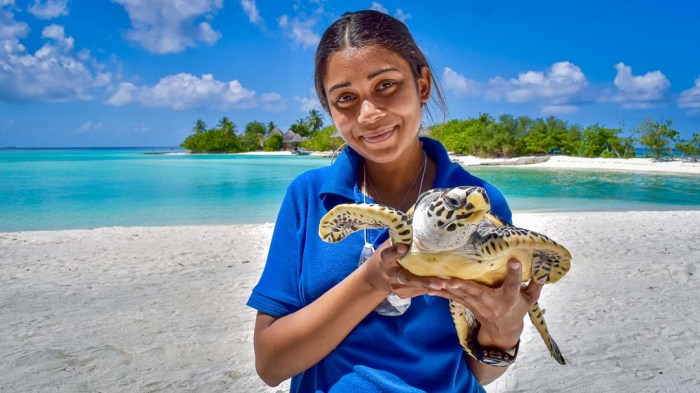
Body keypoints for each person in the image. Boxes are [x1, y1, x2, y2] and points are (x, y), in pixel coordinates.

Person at [247, 9, 543, 393]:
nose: (369, 114)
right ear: (330, 109)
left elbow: (480, 372)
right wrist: (373, 281)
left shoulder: (478, 203)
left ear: (422, 84)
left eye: (385, 85)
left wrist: (505, 330)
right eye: (346, 98)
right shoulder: (309, 196)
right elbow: (270, 365)